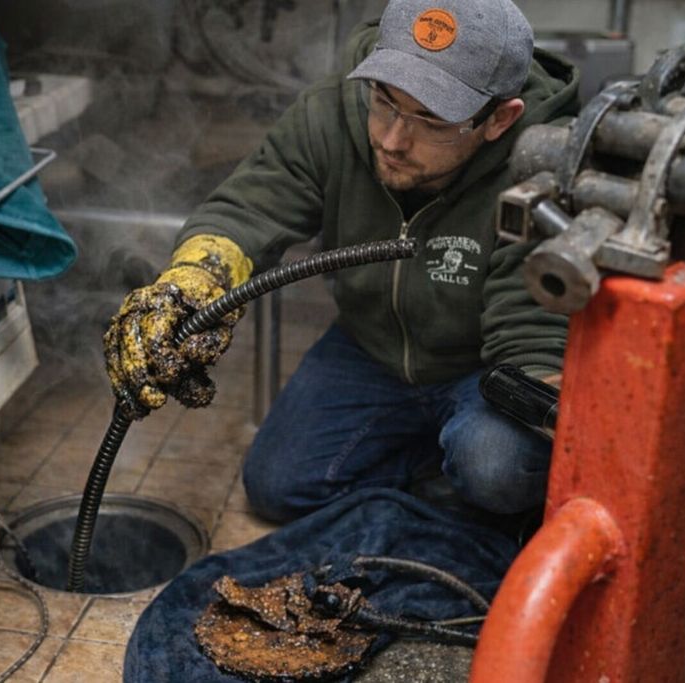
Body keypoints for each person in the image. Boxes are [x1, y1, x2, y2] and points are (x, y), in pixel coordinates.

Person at [103, 0, 579, 525]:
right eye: (386, 101)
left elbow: (530, 334)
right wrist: (192, 281)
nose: (393, 140)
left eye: (431, 120)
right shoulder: (332, 112)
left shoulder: (543, 163)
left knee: (496, 465)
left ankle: (461, 468)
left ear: (498, 119)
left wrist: (541, 411)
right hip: (369, 346)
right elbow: (250, 205)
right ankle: (433, 474)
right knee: (277, 486)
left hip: (480, 368)